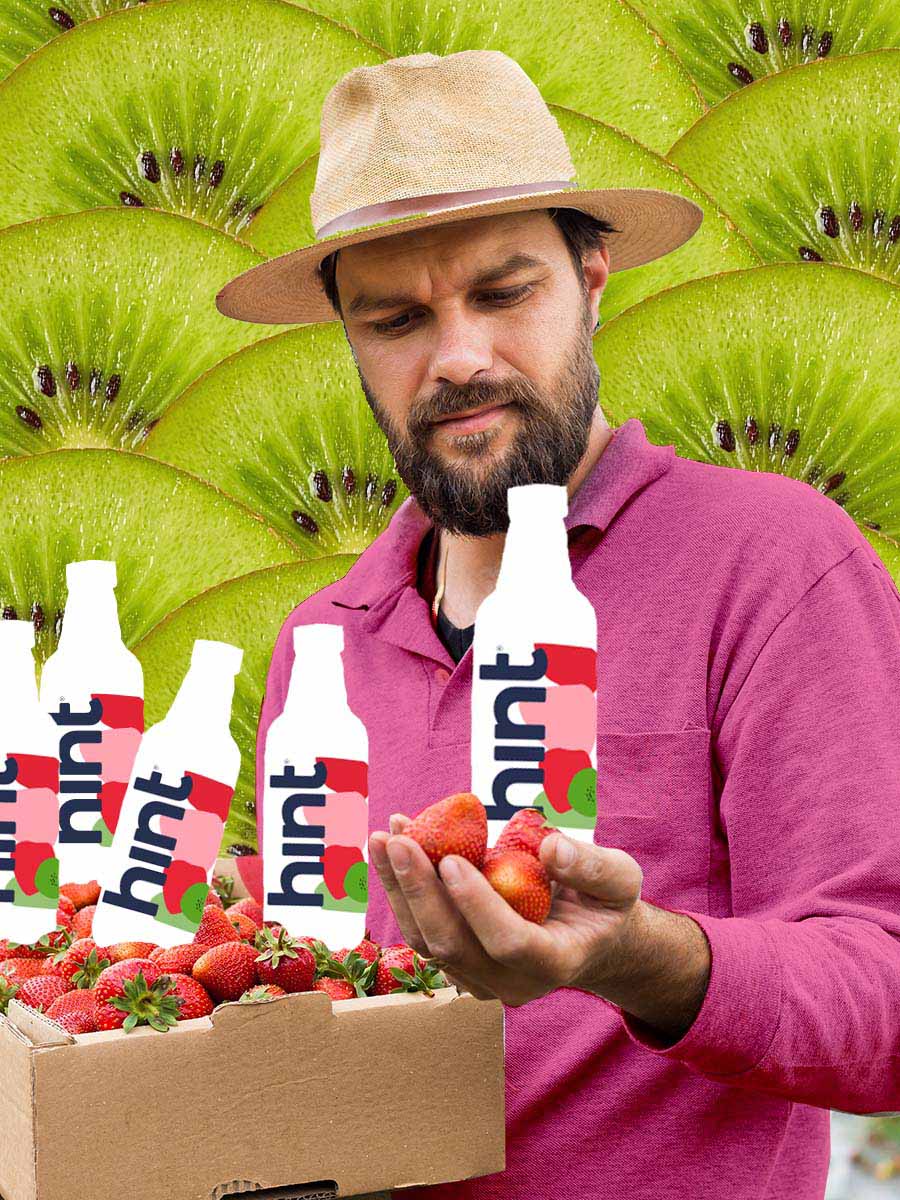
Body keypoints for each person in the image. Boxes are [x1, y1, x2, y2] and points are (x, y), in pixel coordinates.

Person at [218, 49, 900, 1200]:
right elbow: (325, 973)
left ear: (593, 280)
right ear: (348, 342)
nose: (460, 357)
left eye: (503, 292)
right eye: (395, 318)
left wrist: (644, 959)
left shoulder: (773, 561)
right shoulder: (320, 637)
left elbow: (883, 998)